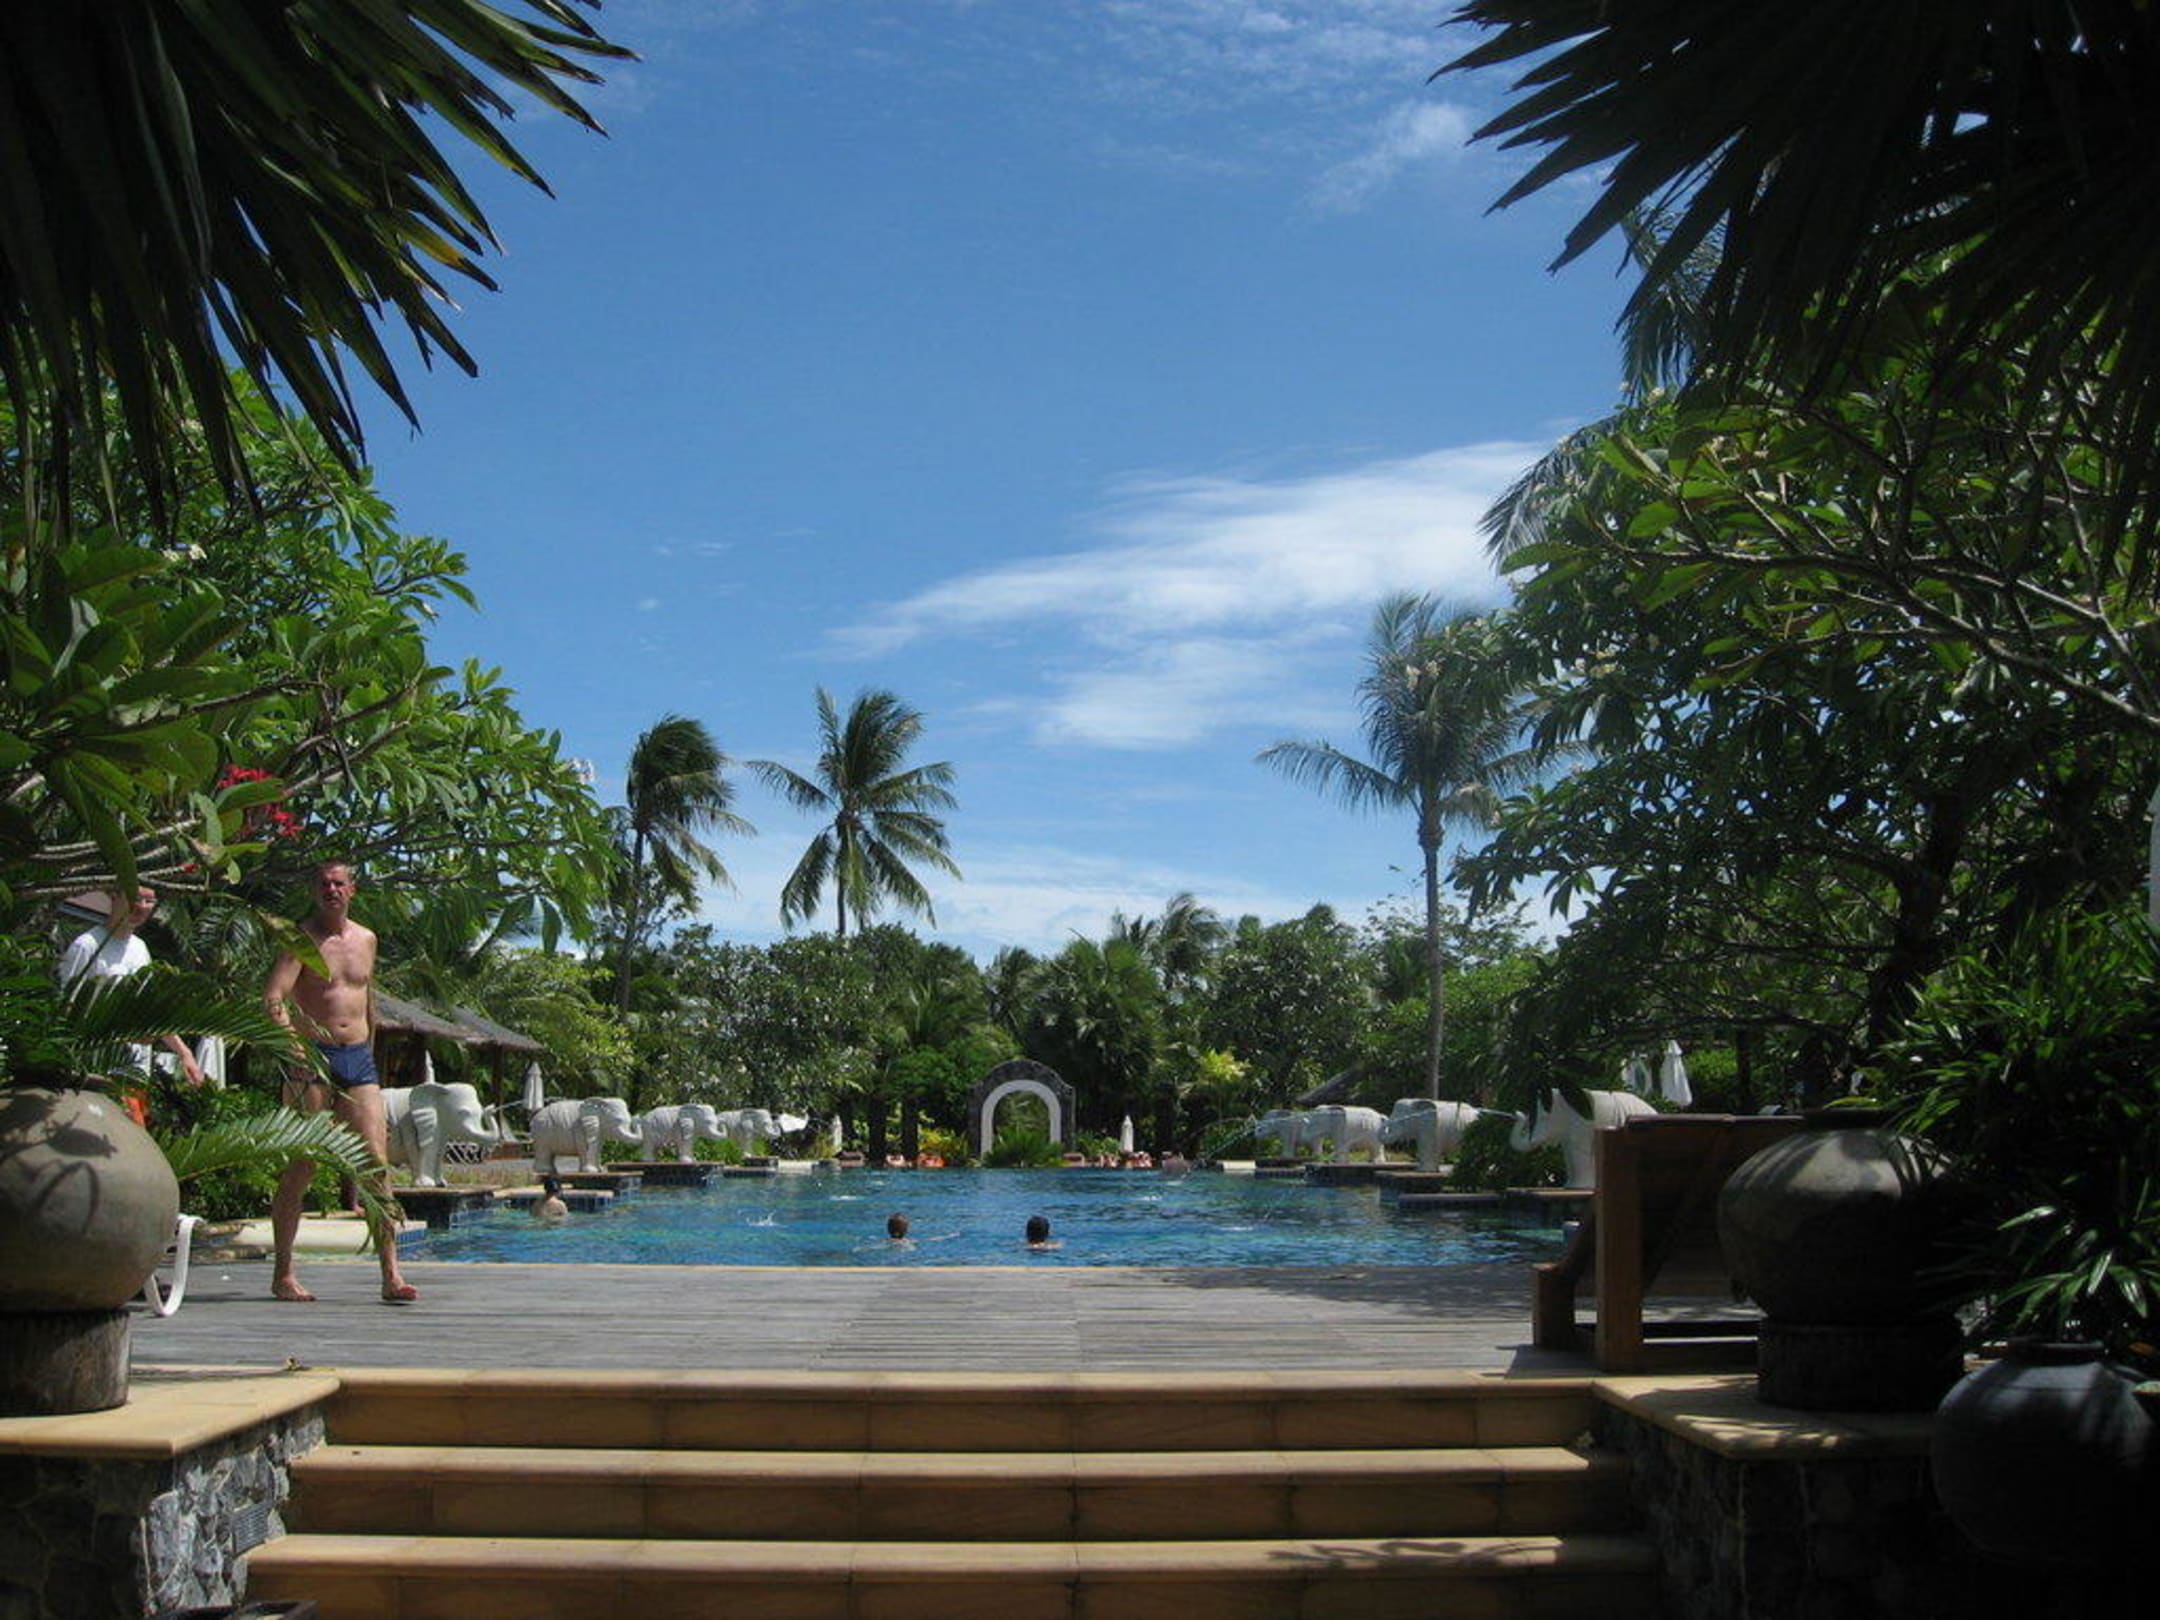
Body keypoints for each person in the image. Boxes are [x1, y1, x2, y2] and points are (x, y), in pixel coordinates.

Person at [264, 859, 417, 1305]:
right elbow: (274, 997)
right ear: (314, 891)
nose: (330, 890)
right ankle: (283, 1273)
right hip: (312, 1056)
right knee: (302, 1166)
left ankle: (391, 1275)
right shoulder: (300, 939)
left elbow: (365, 997)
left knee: (376, 1166)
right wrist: (293, 1049)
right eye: (323, 884)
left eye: (338, 883)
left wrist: (371, 1049)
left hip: (358, 1059)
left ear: (352, 890)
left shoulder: (367, 939)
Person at [57, 885, 206, 1123]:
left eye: (150, 901)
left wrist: (184, 1053)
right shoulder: (87, 946)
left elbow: (149, 1010)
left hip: (134, 1073)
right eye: (135, 898)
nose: (141, 907)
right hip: (97, 1073)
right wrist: (119, 1032)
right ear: (114, 896)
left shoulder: (140, 949)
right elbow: (67, 1010)